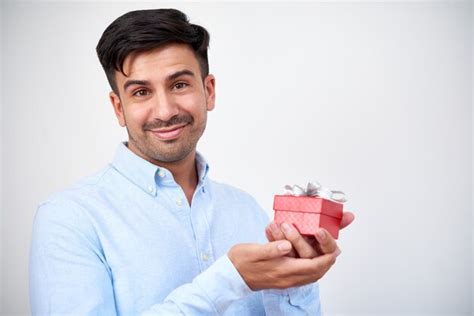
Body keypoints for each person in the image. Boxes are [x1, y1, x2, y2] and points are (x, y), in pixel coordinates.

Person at [29, 8, 354, 315]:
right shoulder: (69, 219)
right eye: (141, 92)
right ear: (118, 108)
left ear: (208, 91)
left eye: (179, 85)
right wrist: (230, 280)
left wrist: (295, 282)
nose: (166, 110)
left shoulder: (247, 211)